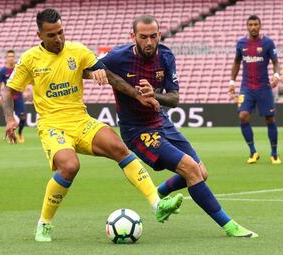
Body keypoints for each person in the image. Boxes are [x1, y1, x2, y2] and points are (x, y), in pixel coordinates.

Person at [2, 8, 183, 242]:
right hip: (52, 125)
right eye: (52, 35)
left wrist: (134, 94)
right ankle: (45, 222)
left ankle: (157, 204)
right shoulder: (29, 59)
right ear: (40, 36)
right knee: (69, 166)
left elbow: (109, 75)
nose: (58, 39)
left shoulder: (78, 51)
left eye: (61, 32)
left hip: (81, 120)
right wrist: (9, 119)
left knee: (119, 148)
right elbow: (9, 91)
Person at [101, 14, 258, 238]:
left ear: (159, 35)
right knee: (191, 169)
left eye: (153, 36)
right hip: (137, 130)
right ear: (133, 36)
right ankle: (230, 226)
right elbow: (90, 69)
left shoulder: (165, 56)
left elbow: (174, 99)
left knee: (202, 173)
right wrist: (121, 86)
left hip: (161, 122)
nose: (148, 42)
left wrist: (154, 95)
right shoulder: (118, 57)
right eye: (143, 37)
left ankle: (158, 194)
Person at [229, 15, 281, 164]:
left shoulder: (268, 43)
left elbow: (276, 62)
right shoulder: (241, 43)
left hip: (264, 87)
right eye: (250, 24)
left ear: (260, 25)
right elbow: (236, 63)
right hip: (246, 88)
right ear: (247, 26)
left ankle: (274, 153)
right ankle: (253, 152)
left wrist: (276, 75)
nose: (253, 27)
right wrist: (232, 81)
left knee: (269, 119)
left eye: (255, 24)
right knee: (243, 116)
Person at [0, 50, 26, 143]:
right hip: (8, 98)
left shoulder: (18, 69)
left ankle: (20, 133)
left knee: (22, 117)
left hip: (18, 97)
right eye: (9, 56)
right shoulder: (3, 71)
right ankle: (11, 136)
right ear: (6, 58)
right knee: (9, 118)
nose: (11, 58)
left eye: (12, 56)